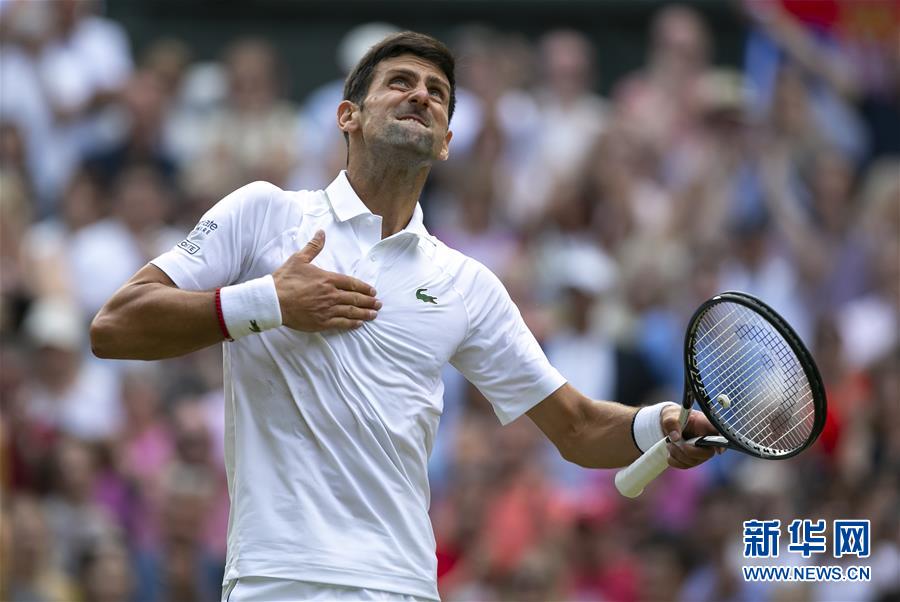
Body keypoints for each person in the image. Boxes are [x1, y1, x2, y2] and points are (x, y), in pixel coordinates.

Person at [91, 31, 719, 602]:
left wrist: (657, 423)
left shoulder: (466, 283)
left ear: (445, 143)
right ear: (349, 116)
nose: (421, 95)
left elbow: (577, 427)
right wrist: (270, 303)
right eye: (400, 82)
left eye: (438, 94)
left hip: (403, 586)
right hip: (277, 578)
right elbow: (116, 325)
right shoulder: (264, 213)